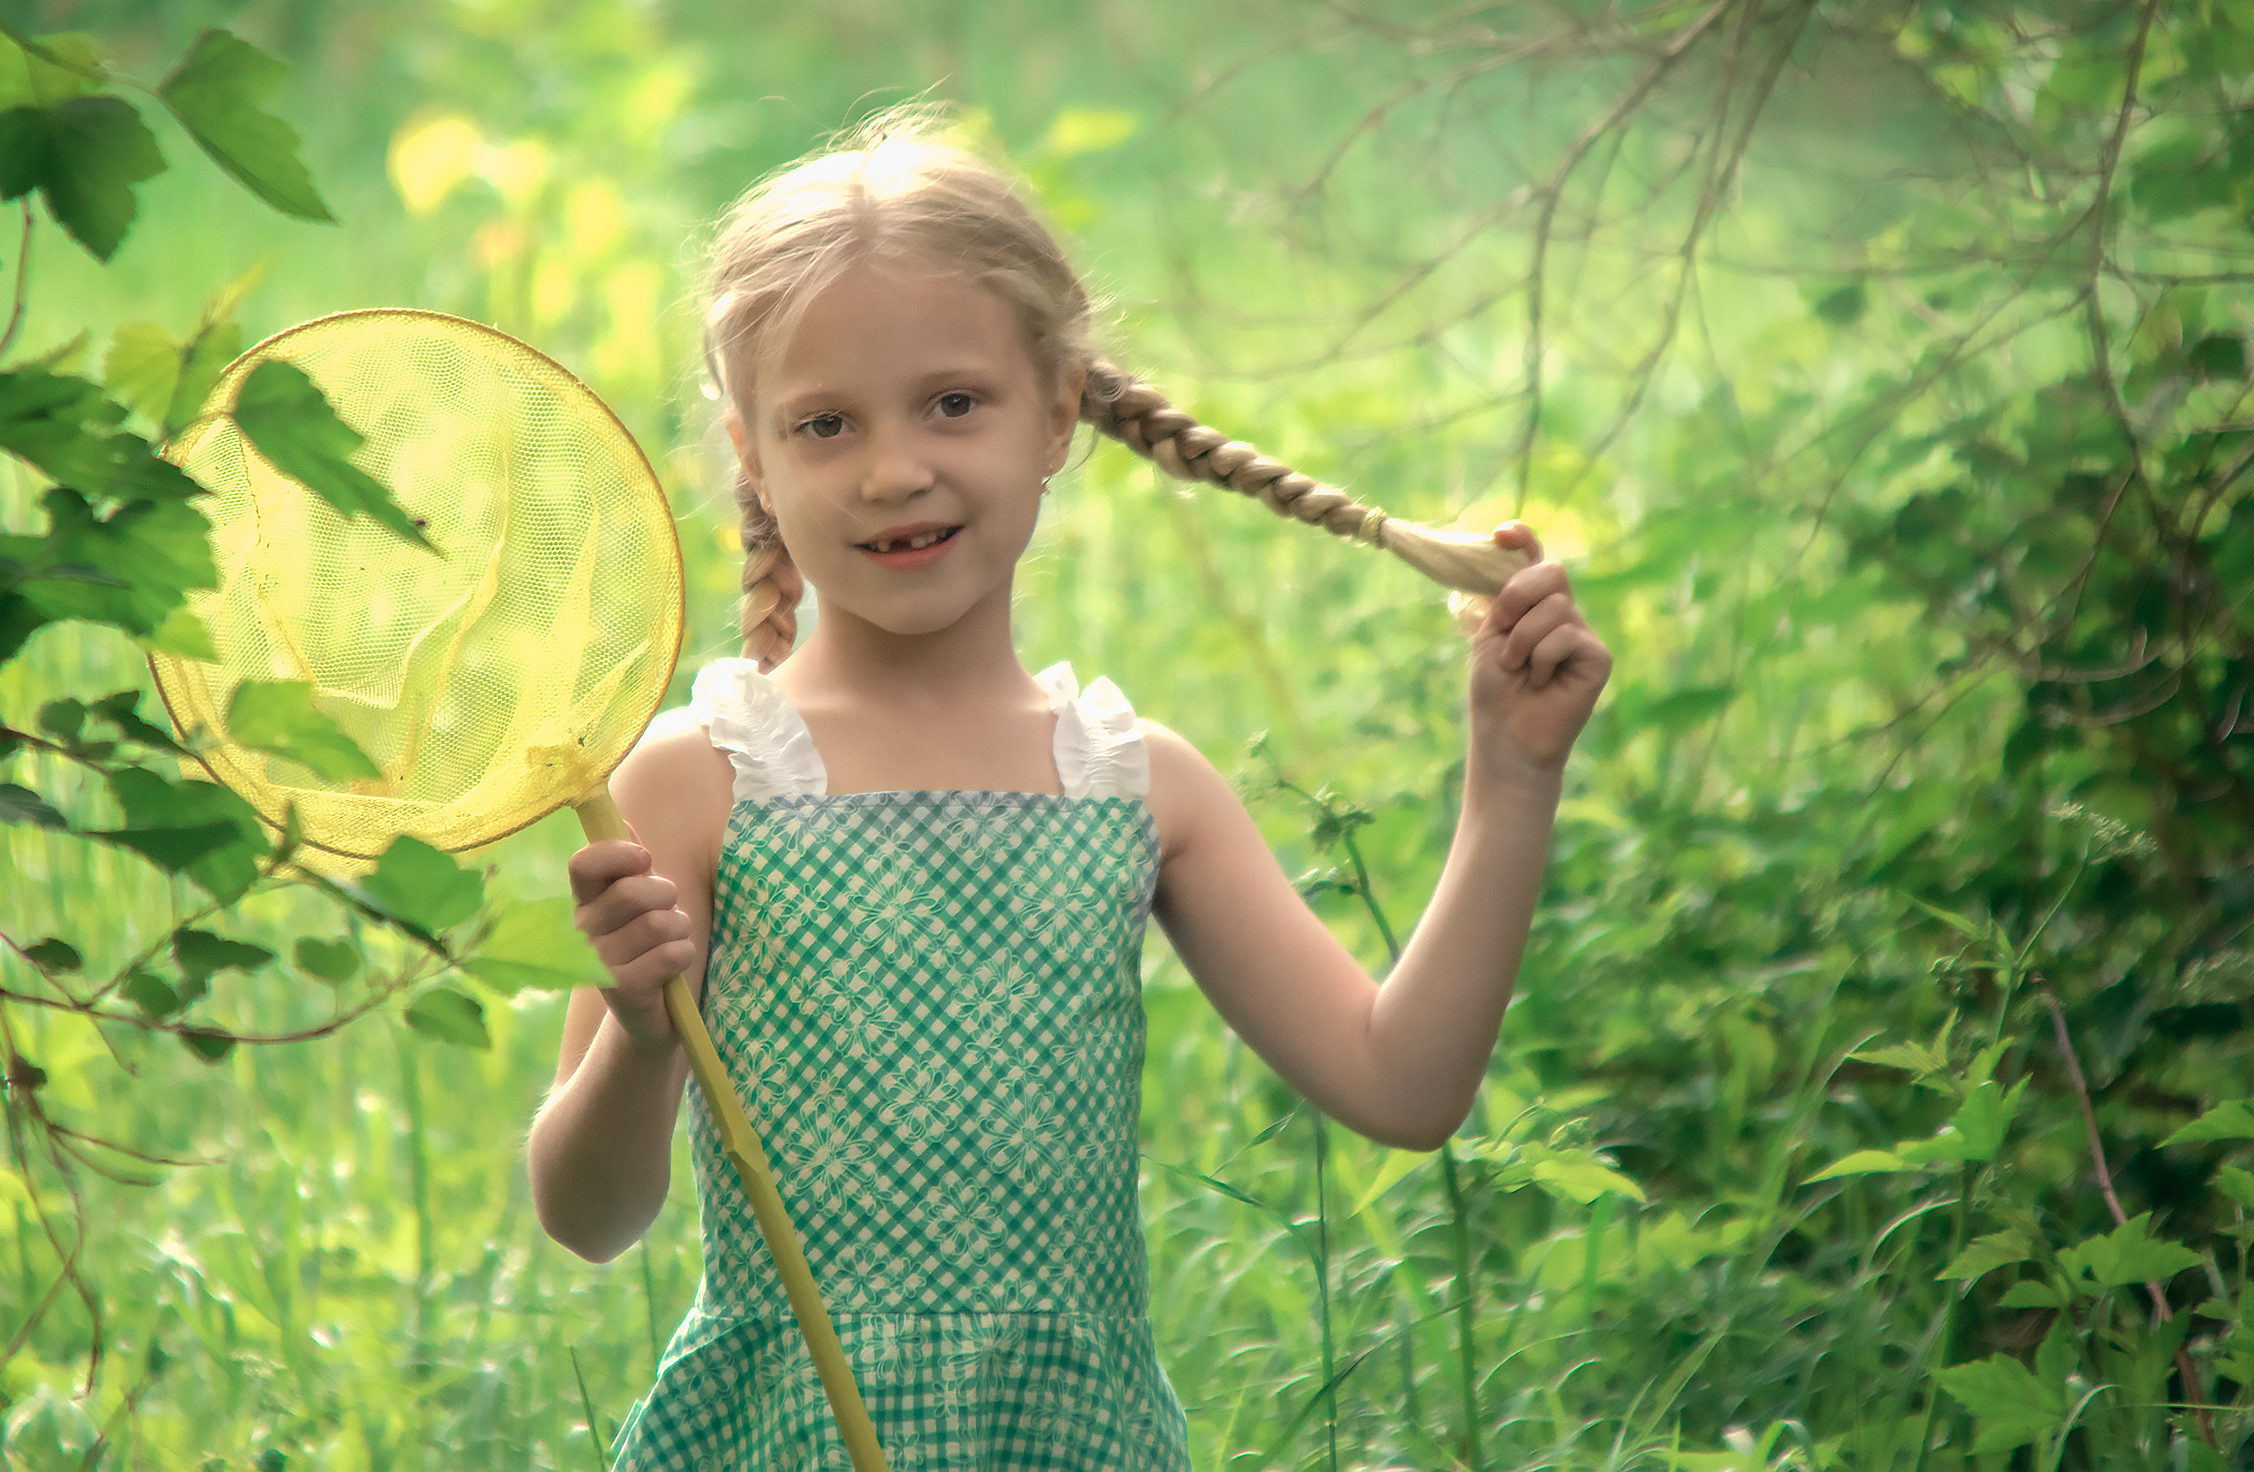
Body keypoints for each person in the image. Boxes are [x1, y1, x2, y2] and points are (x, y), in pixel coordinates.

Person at [526, 116, 1613, 1471]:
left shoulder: (1134, 788)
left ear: (1056, 409)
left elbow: (1403, 1083)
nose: (892, 469)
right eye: (824, 424)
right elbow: (588, 1214)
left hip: (1072, 1437)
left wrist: (1511, 782)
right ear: (751, 453)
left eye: (953, 403)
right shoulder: (697, 784)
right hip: (780, 1439)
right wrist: (641, 1032)